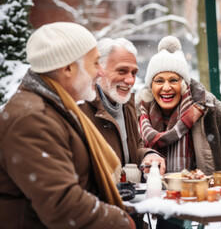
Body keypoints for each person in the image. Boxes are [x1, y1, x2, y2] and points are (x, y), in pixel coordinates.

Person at [0, 22, 135, 228]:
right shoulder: (33, 119)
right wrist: (122, 223)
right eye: (95, 63)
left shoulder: (55, 108)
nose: (100, 72)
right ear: (68, 68)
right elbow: (62, 205)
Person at [137, 35, 221, 228]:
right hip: (156, 201)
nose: (166, 87)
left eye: (174, 79)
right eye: (159, 80)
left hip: (203, 206)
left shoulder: (208, 106)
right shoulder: (138, 112)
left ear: (184, 83)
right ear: (150, 85)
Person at [79, 38, 166, 175]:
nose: (130, 80)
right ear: (99, 70)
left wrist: (147, 155)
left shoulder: (127, 104)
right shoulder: (81, 108)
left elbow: (135, 147)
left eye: (133, 73)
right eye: (122, 71)